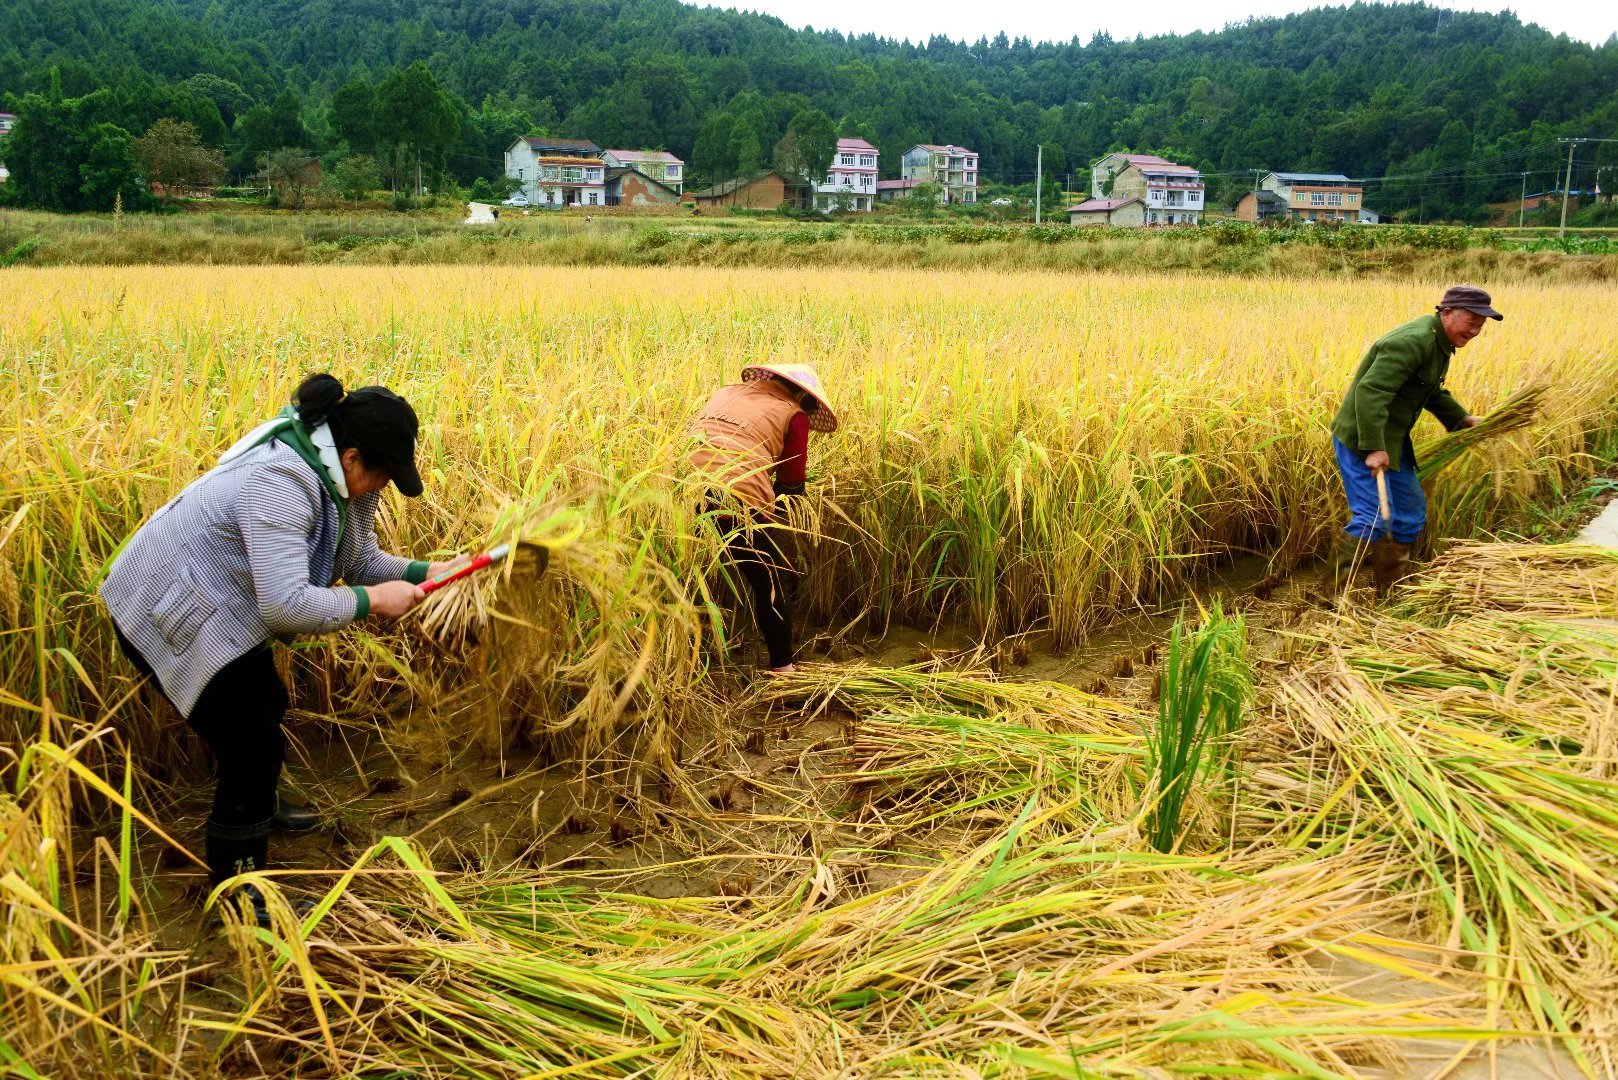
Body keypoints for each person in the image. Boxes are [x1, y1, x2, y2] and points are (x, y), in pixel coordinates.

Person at [100, 374, 457, 921]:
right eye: (382, 473)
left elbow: (361, 562)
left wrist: (430, 572)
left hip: (217, 594)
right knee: (251, 744)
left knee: (264, 699)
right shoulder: (281, 482)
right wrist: (371, 602)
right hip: (166, 600)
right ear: (354, 454)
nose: (384, 486)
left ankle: (257, 804)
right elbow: (288, 605)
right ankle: (239, 891)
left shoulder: (344, 475)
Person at [1326, 284, 1500, 591]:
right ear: (1447, 313)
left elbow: (1429, 390)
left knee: (1409, 513)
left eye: (1480, 326)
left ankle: (1388, 590)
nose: (1475, 331)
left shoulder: (1439, 343)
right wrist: (1374, 447)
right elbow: (1371, 392)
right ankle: (1330, 596)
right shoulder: (1413, 342)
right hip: (1362, 438)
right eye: (1471, 323)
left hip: (1392, 440)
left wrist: (1461, 418)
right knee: (1372, 517)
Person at [690, 364, 839, 673]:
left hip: (682, 490)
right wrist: (785, 522)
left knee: (693, 577)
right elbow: (792, 484)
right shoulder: (792, 413)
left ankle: (686, 657)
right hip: (736, 499)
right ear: (802, 395)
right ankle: (782, 667)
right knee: (771, 579)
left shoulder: (725, 393)